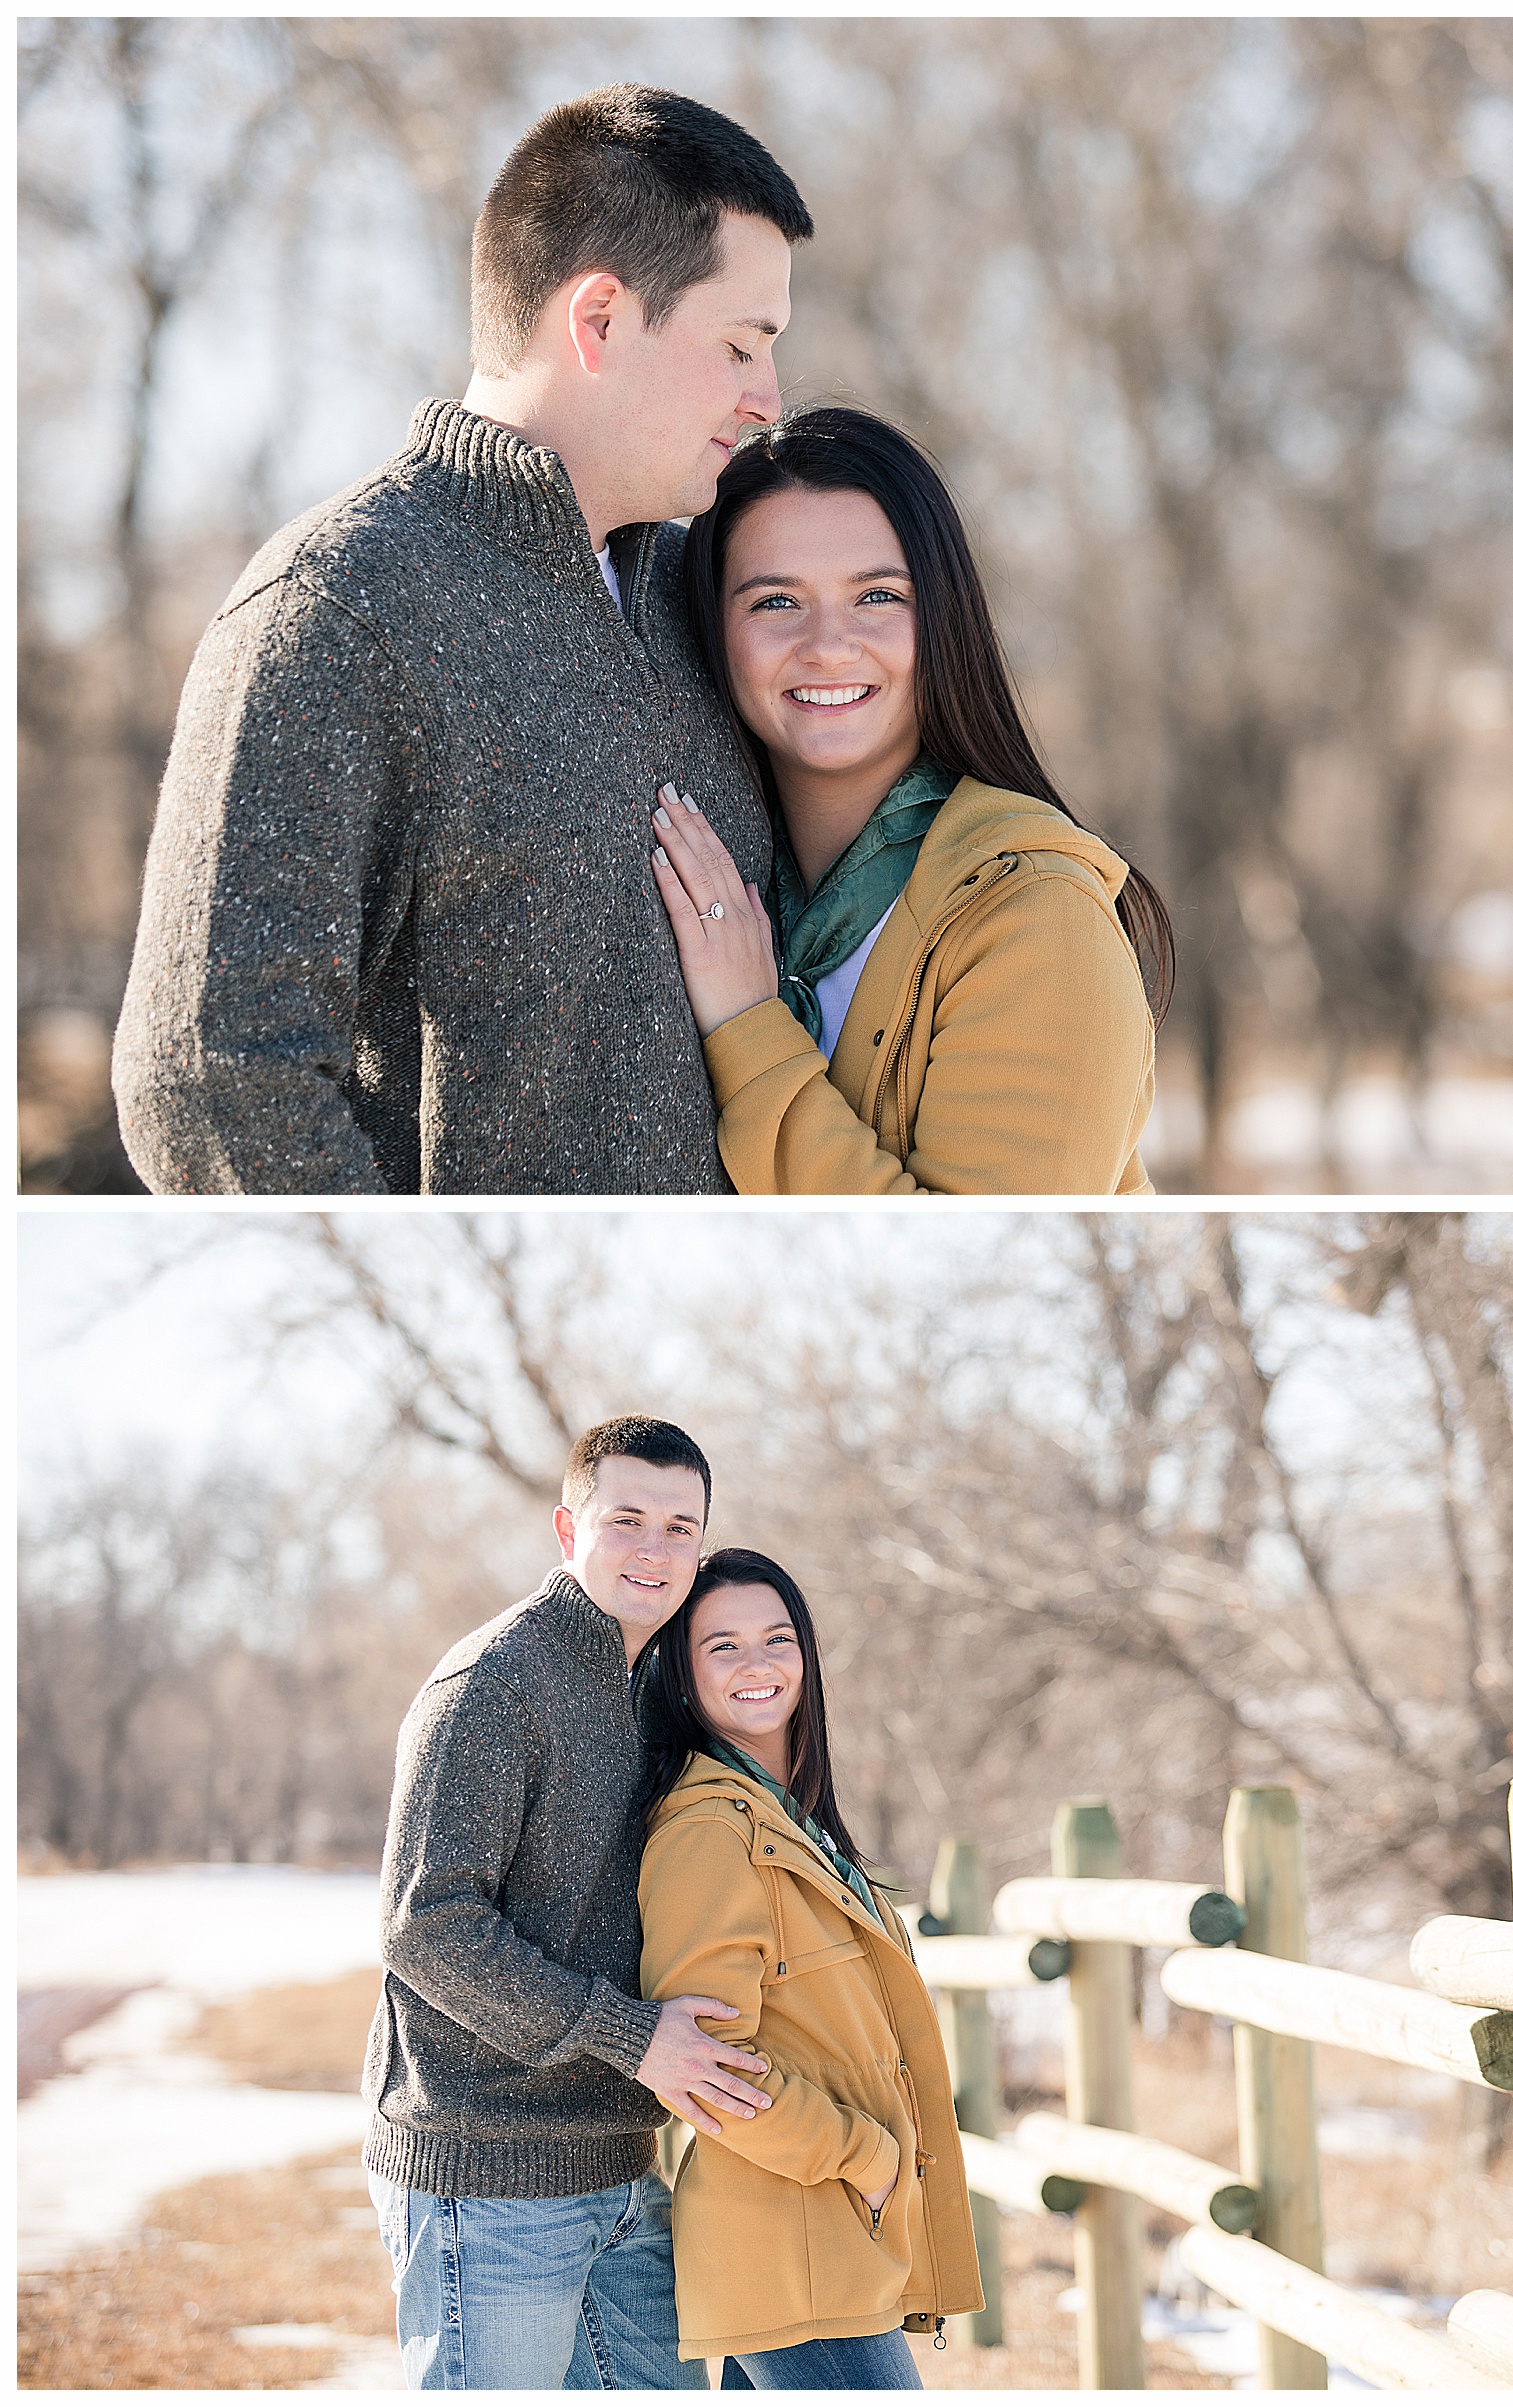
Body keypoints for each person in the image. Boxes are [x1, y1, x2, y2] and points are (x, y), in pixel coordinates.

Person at [112, 86, 812, 1195]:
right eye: (740, 345)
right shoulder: (337, 608)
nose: (767, 399)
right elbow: (214, 1084)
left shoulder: (713, 593)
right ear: (599, 320)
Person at [647, 405, 1174, 1193]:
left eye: (878, 596)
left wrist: (748, 1029)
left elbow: (993, 1272)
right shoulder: (755, 894)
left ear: (943, 617)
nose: (828, 644)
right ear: (713, 634)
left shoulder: (1035, 916)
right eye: (775, 602)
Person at [363, 1417, 779, 2390]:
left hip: (624, 2168)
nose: (656, 1548)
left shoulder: (666, 1687)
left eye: (682, 1526)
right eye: (627, 1518)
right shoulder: (494, 1685)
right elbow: (425, 1927)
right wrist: (635, 2037)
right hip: (485, 2171)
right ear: (568, 1528)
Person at [634, 1547, 982, 2386]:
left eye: (777, 1637)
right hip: (789, 2247)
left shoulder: (791, 1819)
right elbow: (706, 2071)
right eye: (722, 1645)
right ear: (682, 1674)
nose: (757, 1664)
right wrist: (868, 2157)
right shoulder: (710, 1833)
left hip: (827, 2243)